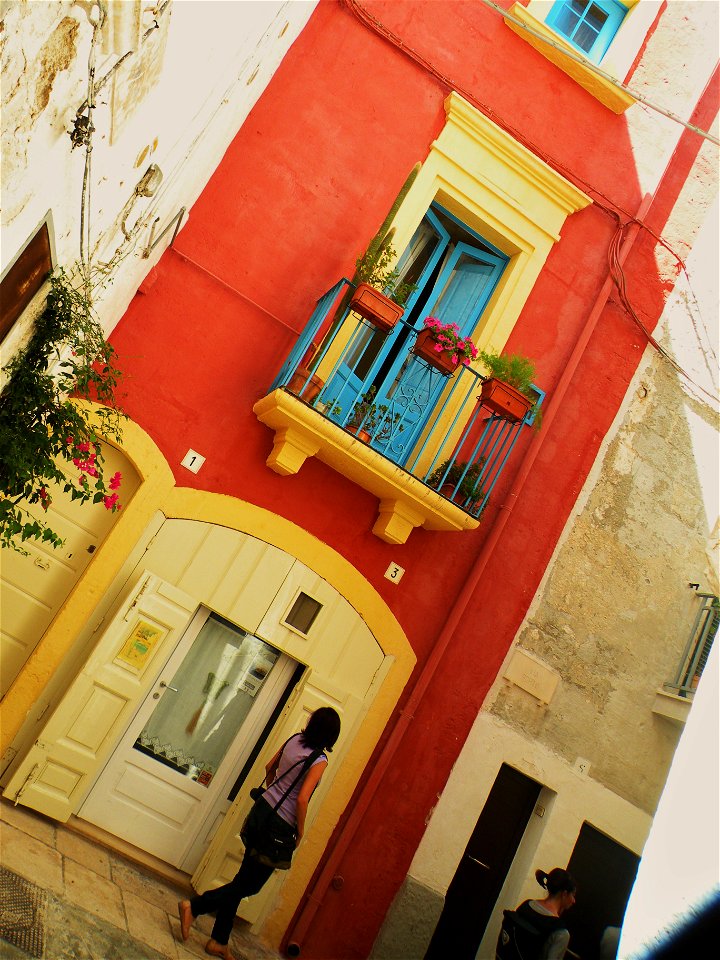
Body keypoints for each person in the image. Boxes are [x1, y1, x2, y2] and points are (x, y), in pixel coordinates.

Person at [177, 706, 341, 960]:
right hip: (279, 827)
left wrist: (276, 789)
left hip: (261, 811)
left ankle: (219, 941)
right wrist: (300, 831)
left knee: (242, 879)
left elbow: (269, 767)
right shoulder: (319, 760)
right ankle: (195, 906)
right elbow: (302, 800)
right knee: (251, 886)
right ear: (331, 735)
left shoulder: (294, 740)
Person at [497, 867, 577, 960]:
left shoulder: (526, 905)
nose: (573, 901)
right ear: (564, 894)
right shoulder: (560, 932)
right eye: (573, 895)